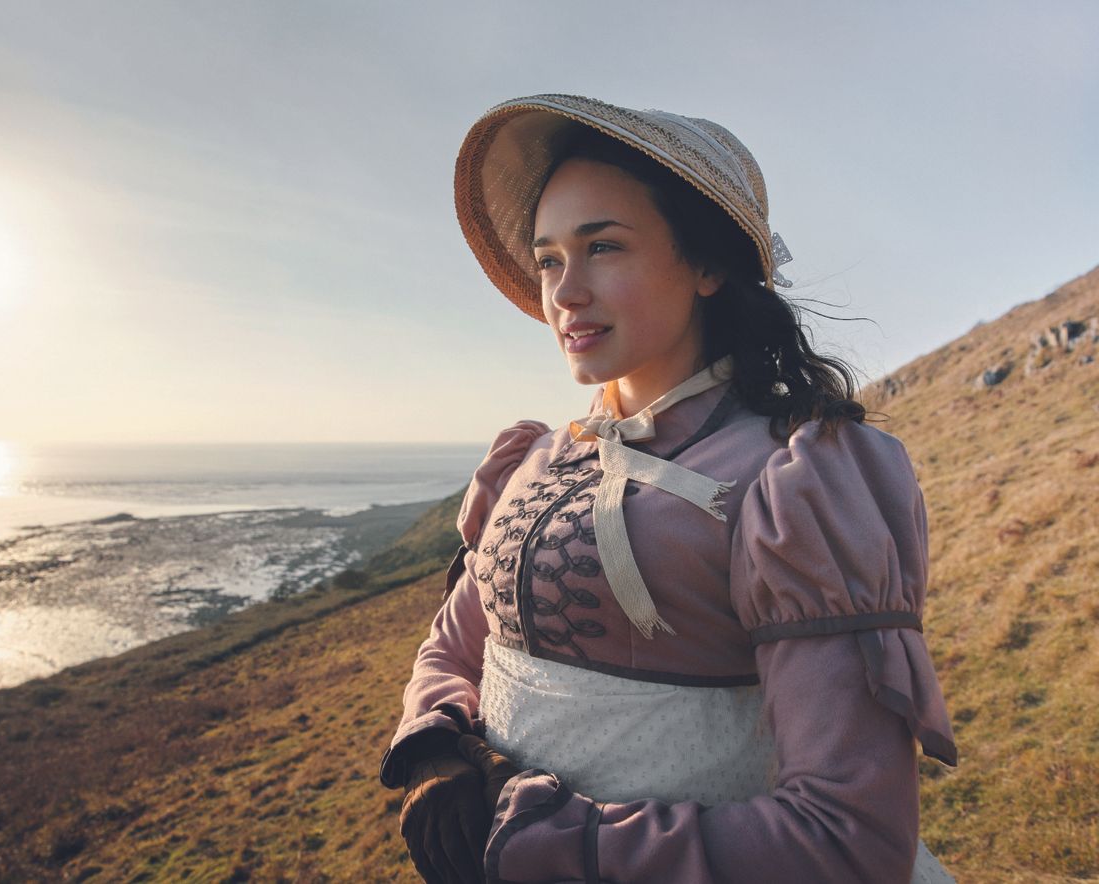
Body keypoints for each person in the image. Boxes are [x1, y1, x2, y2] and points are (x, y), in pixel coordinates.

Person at [380, 94, 958, 883]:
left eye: (604, 247)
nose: (565, 293)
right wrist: (436, 747)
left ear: (710, 265)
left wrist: (539, 843)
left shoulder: (792, 482)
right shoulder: (535, 458)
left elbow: (847, 836)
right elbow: (455, 641)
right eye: (549, 259)